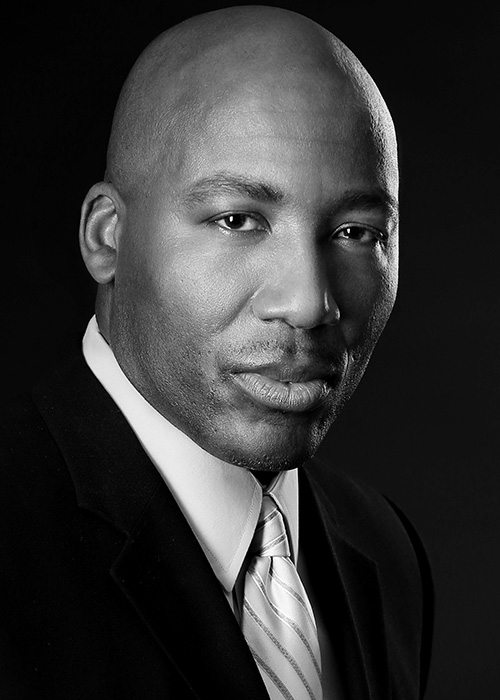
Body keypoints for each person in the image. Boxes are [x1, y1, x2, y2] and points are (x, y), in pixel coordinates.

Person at [0, 5, 433, 699]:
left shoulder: (387, 553)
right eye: (237, 220)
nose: (308, 302)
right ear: (108, 237)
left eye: (355, 232)